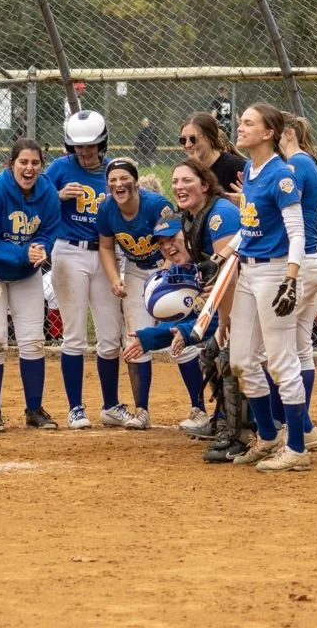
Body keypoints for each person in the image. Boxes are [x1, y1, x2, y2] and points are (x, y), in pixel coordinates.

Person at [215, 102, 310, 472]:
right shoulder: (251, 171)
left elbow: (297, 232)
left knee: (282, 362)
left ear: (269, 133)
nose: (240, 127)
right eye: (240, 122)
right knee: (241, 362)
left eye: (248, 123)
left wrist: (291, 277)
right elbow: (251, 227)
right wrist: (224, 255)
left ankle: (298, 449)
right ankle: (269, 437)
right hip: (249, 272)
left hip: (273, 273)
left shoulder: (281, 175)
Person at [98, 157, 200, 430]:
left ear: (135, 181)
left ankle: (199, 408)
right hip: (135, 270)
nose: (119, 184)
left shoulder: (156, 205)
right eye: (113, 180)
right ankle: (141, 410)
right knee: (136, 337)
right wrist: (114, 279)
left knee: (177, 336)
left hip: (168, 267)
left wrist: (165, 278)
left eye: (124, 178)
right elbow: (106, 247)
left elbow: (175, 243)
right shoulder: (107, 208)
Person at [0, 139, 61, 432]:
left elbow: (49, 229)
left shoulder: (46, 193)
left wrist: (42, 247)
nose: (29, 168)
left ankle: (34, 409)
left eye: (35, 163)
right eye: (23, 162)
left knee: (33, 341)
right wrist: (24, 252)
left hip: (25, 274)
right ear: (11, 164)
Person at [44, 110, 121, 430]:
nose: (84, 151)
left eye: (91, 146)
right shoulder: (60, 168)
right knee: (73, 334)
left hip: (104, 255)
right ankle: (75, 407)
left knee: (110, 334)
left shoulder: (113, 170)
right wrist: (58, 196)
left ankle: (110, 405)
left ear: (102, 143)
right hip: (69, 252)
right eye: (78, 146)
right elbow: (38, 204)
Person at [171, 158, 242, 458]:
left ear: (204, 184)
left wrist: (225, 323)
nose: (179, 187)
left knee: (227, 356)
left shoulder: (220, 213)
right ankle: (223, 419)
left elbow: (232, 272)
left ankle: (238, 432)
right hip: (231, 294)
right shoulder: (191, 217)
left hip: (247, 294)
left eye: (187, 180)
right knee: (210, 355)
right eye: (175, 181)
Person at [115, 210, 211, 431]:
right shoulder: (178, 270)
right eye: (161, 243)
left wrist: (182, 333)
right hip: (214, 326)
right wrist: (149, 338)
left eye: (171, 238)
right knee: (183, 344)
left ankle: (236, 417)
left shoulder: (209, 260)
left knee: (220, 352)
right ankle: (206, 413)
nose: (167, 247)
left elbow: (214, 320)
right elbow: (188, 318)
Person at [279, 114, 317, 449]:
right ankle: (305, 426)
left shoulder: (295, 165)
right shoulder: (305, 162)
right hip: (314, 262)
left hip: (302, 264)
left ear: (287, 133)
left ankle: (298, 426)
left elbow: (283, 211)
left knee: (278, 346)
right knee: (300, 347)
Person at [179, 112, 244, 192]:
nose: (187, 145)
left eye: (193, 139)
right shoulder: (187, 171)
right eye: (183, 140)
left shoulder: (236, 167)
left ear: (210, 138)